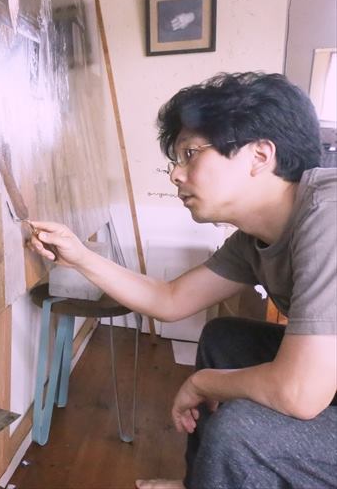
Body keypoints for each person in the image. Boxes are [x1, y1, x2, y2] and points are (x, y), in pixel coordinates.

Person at [27, 72, 337, 489]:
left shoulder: (329, 214)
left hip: (321, 387)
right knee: (225, 338)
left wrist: (202, 382)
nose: (175, 174)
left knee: (240, 430)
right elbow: (171, 299)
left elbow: (300, 392)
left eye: (190, 154)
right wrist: (80, 257)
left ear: (260, 156)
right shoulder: (254, 238)